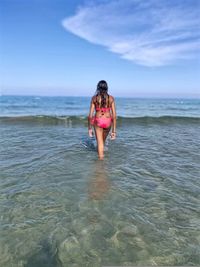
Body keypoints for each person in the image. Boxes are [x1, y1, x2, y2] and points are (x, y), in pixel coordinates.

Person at [88, 80, 116, 159]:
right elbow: (114, 115)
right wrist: (114, 131)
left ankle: (100, 164)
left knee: (99, 142)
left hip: (98, 121)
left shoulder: (94, 98)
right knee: (102, 141)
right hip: (108, 121)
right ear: (106, 88)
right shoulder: (111, 98)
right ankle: (101, 153)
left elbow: (90, 115)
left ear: (98, 88)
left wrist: (89, 128)